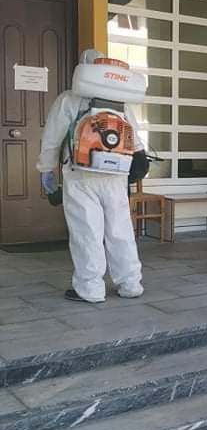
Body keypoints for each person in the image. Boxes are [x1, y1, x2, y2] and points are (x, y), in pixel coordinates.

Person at [37, 49, 145, 304]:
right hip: (116, 175)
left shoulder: (68, 100)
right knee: (120, 230)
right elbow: (136, 142)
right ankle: (130, 284)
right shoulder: (121, 103)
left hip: (81, 175)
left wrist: (45, 169)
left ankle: (90, 288)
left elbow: (51, 140)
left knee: (87, 231)